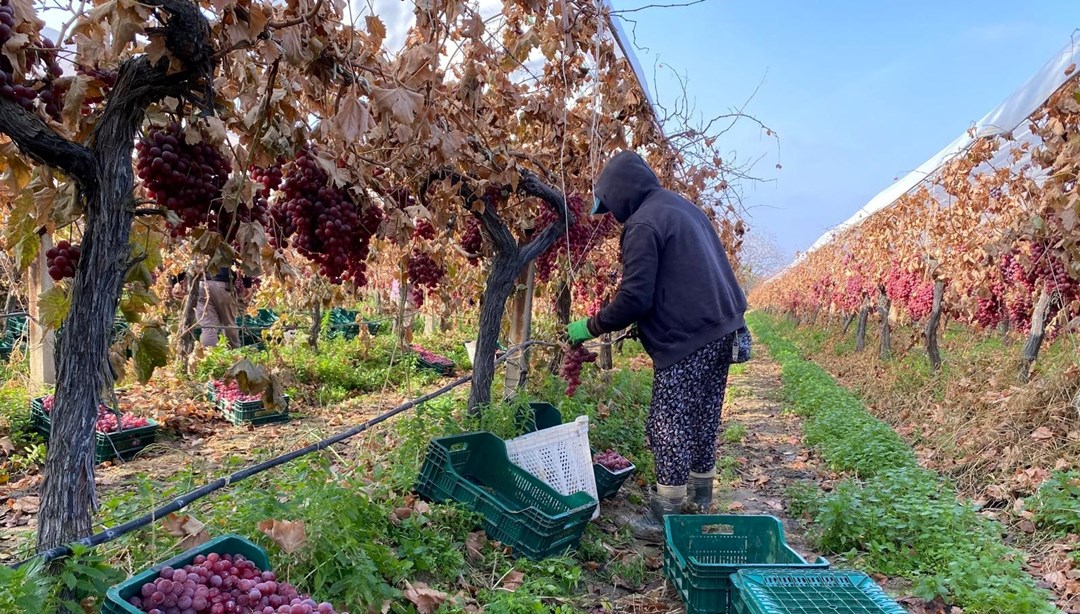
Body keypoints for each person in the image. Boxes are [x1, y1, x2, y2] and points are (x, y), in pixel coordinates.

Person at [566, 150, 747, 539]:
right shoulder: (680, 207)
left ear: (621, 193)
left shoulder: (643, 223)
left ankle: (665, 517)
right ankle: (700, 501)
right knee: (701, 417)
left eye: (611, 207)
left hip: (689, 336)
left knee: (667, 424)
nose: (612, 217)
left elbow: (635, 297)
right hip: (723, 328)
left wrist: (591, 326)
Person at [196, 267, 241, 349]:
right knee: (228, 324)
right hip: (222, 284)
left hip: (201, 285)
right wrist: (248, 284)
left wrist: (174, 283)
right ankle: (234, 354)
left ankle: (210, 357)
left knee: (208, 327)